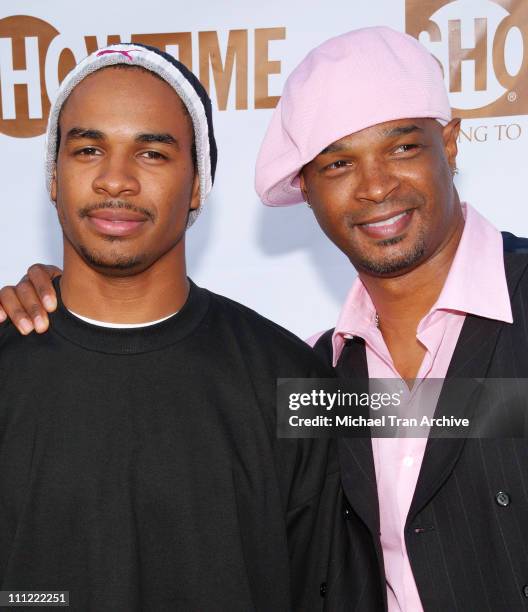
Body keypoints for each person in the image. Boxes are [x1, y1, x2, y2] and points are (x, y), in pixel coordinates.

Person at [6, 26, 528, 612]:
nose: (375, 186)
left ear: (450, 144)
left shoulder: (289, 378)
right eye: (335, 164)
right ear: (305, 186)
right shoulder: (321, 376)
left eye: (402, 146)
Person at [0, 43, 346, 611]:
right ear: (54, 177)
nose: (116, 180)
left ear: (198, 185)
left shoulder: (292, 381)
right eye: (88, 149)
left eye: (152, 154)